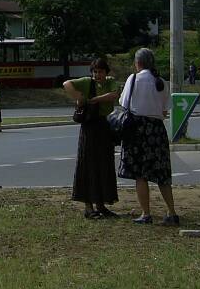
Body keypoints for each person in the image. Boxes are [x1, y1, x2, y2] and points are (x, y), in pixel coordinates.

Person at [118, 47, 178, 225]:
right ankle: (172, 212)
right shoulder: (161, 82)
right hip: (157, 130)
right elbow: (165, 111)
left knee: (140, 174)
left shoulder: (133, 79)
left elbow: (124, 103)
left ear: (138, 63)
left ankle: (146, 213)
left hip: (137, 130)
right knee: (162, 174)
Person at [63, 57, 121, 219]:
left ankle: (101, 204)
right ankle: (88, 207)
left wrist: (95, 99)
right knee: (87, 165)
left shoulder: (110, 82)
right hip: (89, 127)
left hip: (105, 127)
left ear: (106, 72)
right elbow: (66, 84)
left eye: (100, 72)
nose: (97, 75)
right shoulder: (87, 82)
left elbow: (114, 95)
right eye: (95, 72)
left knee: (104, 165)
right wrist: (79, 97)